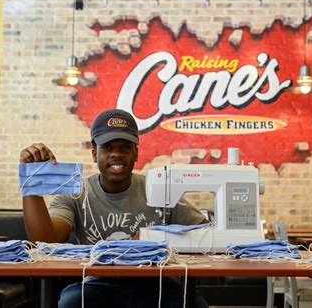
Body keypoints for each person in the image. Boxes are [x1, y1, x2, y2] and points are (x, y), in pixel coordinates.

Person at [20, 108, 208, 308]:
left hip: (156, 282)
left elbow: (207, 233)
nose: (116, 154)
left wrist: (154, 238)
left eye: (125, 147)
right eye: (107, 147)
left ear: (136, 153)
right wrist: (30, 179)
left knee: (195, 304)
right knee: (71, 303)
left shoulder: (161, 191)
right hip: (98, 283)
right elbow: (45, 239)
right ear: (94, 154)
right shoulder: (76, 194)